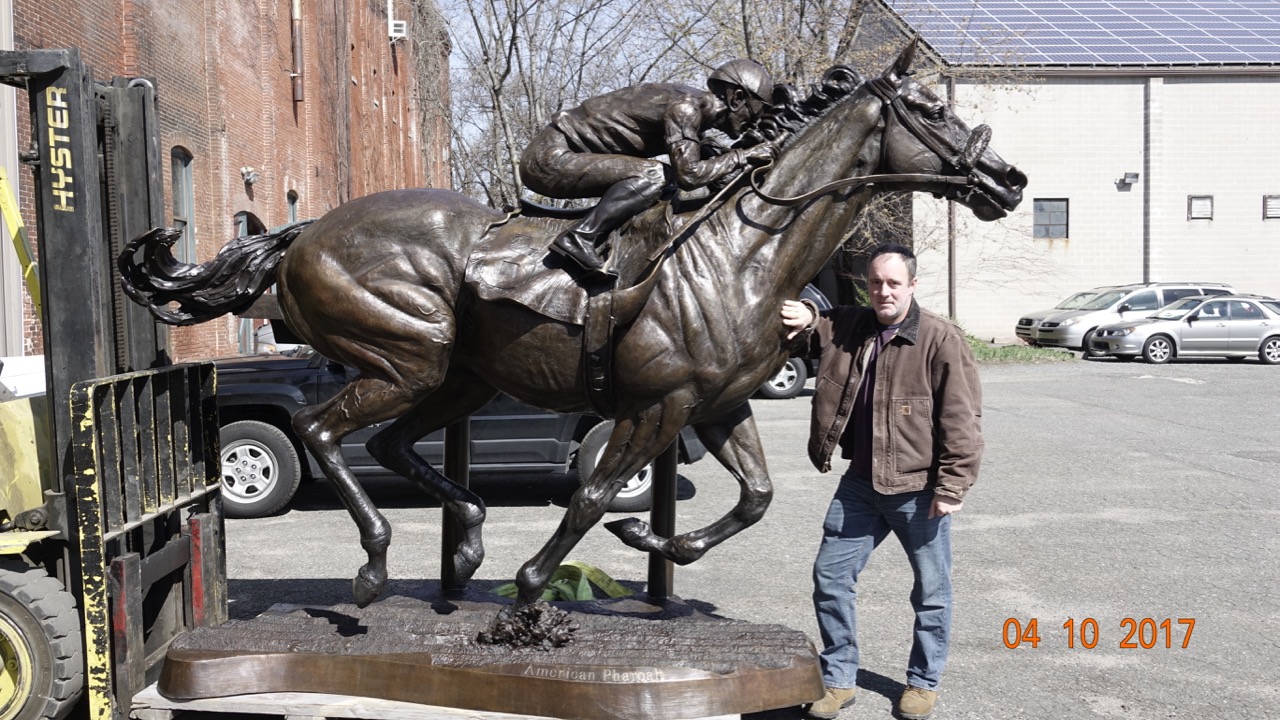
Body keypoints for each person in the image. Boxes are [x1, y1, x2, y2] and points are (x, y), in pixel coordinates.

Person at [779, 243, 983, 720]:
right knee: (830, 579)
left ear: (912, 284)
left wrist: (952, 486)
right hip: (861, 484)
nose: (883, 291)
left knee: (932, 593)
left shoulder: (940, 339)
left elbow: (962, 419)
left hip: (921, 489)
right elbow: (818, 323)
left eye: (893, 283)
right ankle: (838, 678)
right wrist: (806, 312)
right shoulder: (853, 324)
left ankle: (922, 683)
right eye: (875, 283)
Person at [520, 59, 778, 278]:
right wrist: (744, 155)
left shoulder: (694, 117)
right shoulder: (686, 108)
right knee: (655, 174)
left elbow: (715, 177)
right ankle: (581, 237)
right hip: (548, 159)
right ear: (738, 98)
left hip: (563, 154)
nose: (752, 123)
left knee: (665, 179)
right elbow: (689, 175)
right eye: (757, 111)